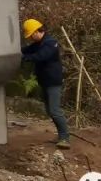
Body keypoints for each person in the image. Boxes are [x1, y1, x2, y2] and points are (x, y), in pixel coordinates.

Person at [21, 18, 70, 149]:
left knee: (55, 110)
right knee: (50, 110)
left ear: (37, 31)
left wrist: (25, 58)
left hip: (53, 82)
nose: (31, 38)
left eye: (31, 35)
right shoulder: (38, 43)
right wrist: (18, 52)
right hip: (45, 82)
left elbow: (41, 56)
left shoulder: (50, 43)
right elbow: (27, 49)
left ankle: (65, 138)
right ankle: (62, 135)